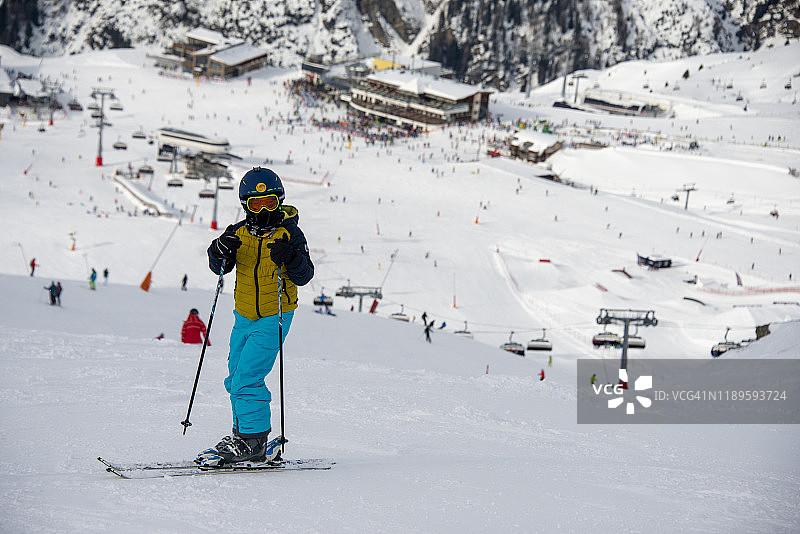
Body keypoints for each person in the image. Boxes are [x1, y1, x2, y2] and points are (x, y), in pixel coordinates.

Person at [196, 167, 314, 467]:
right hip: (244, 314)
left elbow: (304, 275)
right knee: (235, 375)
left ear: (280, 201)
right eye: (256, 204)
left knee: (248, 377)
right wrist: (218, 251)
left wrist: (291, 257)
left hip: (274, 316)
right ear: (245, 205)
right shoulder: (237, 232)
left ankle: (253, 441)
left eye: (270, 203)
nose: (263, 211)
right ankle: (242, 434)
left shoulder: (290, 233)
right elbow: (219, 265)